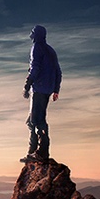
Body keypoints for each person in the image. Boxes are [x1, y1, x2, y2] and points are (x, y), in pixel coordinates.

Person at [21, 25, 62, 162]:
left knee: (36, 121)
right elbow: (58, 72)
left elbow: (35, 68)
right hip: (47, 89)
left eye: (32, 33)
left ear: (36, 35)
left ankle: (40, 153)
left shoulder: (37, 48)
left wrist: (27, 85)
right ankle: (33, 152)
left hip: (38, 88)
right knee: (33, 120)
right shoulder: (51, 51)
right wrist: (56, 89)